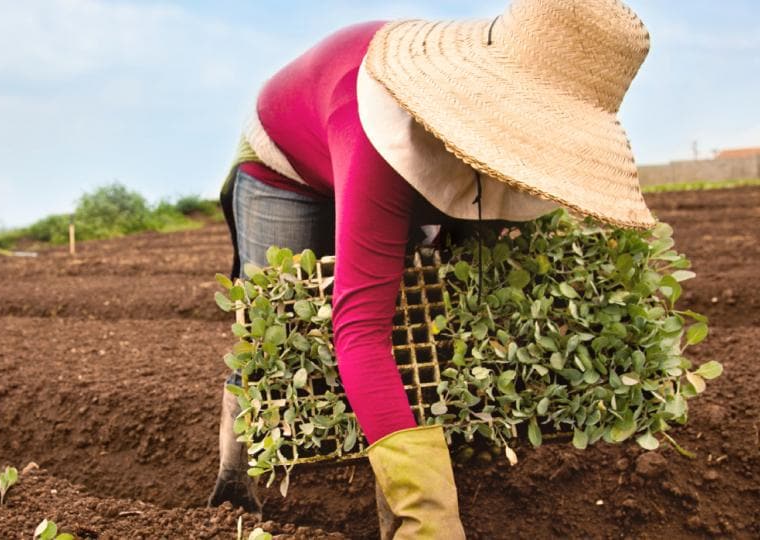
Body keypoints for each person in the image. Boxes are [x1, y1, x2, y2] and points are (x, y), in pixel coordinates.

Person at [209, 0, 656, 537]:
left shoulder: (510, 128)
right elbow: (359, 329)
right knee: (274, 339)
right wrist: (433, 520)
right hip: (287, 165)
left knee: (419, 324)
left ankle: (393, 513)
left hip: (379, 144)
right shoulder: (384, 123)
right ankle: (233, 486)